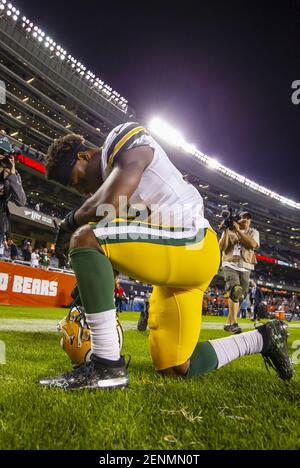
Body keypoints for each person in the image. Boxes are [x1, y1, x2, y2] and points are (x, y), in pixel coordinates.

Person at [38, 123, 293, 390]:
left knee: (84, 237)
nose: (84, 192)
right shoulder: (118, 193)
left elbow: (110, 202)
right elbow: (122, 239)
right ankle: (263, 338)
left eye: (78, 181)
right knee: (176, 366)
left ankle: (106, 367)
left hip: (192, 244)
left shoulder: (121, 138)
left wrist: (68, 224)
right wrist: (90, 288)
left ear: (84, 156)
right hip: (182, 263)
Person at [219, 211, 260, 334]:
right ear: (238, 220)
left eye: (248, 218)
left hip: (245, 266)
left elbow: (253, 244)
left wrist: (238, 230)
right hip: (230, 263)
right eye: (243, 218)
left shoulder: (253, 232)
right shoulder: (229, 230)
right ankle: (234, 324)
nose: (246, 220)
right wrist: (226, 230)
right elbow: (221, 247)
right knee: (235, 291)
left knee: (240, 296)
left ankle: (228, 323)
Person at [0, 137, 27, 247]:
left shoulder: (13, 175)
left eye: (3, 153)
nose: (1, 156)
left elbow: (21, 201)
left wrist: (12, 175)